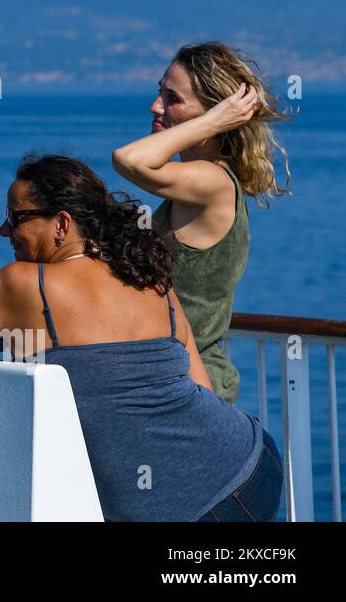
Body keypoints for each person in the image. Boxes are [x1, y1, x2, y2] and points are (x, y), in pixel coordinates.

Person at [0, 154, 283, 522]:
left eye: (16, 219)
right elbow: (202, 388)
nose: (4, 231)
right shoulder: (147, 277)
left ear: (61, 224)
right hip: (253, 462)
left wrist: (6, 335)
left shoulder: (25, 285)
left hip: (194, 505)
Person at [112, 41, 292, 403]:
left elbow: (128, 160)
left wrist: (213, 121)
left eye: (172, 99)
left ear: (218, 115)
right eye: (159, 93)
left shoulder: (213, 183)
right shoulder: (192, 183)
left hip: (194, 389)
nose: (155, 106)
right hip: (171, 380)